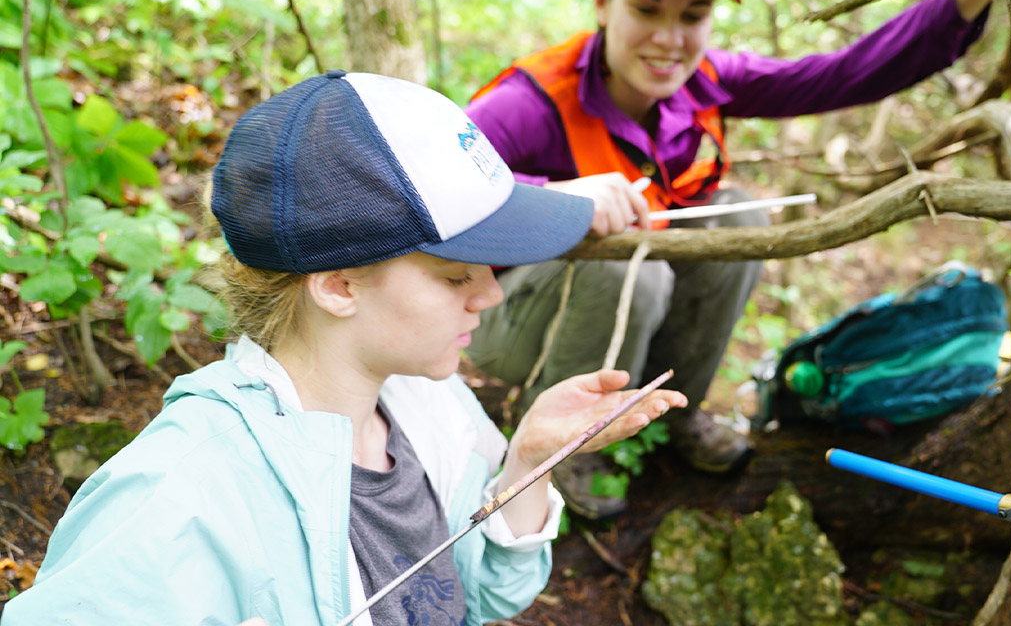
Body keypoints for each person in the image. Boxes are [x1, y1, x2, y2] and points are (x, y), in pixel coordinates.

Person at [1, 71, 687, 626]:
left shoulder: (429, 404)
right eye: (456, 274)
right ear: (337, 286)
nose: (492, 296)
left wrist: (526, 465)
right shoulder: (180, 496)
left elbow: (480, 597)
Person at [464, 0, 1003, 519]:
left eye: (692, 16)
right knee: (627, 266)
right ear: (601, 2)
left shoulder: (706, 81)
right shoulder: (530, 103)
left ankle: (677, 407)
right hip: (509, 322)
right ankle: (564, 445)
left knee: (740, 215)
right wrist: (550, 196)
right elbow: (426, 190)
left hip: (635, 303)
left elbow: (841, 75)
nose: (670, 40)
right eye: (646, 9)